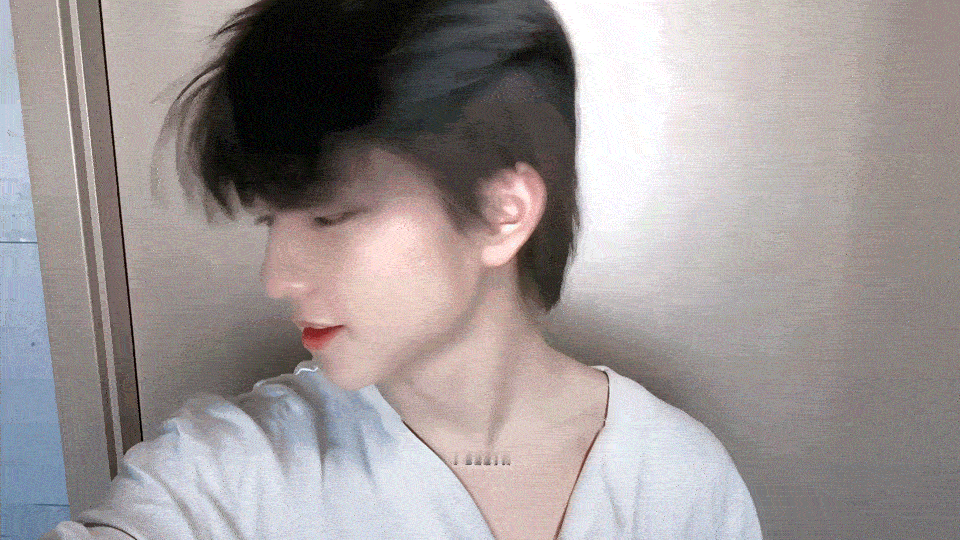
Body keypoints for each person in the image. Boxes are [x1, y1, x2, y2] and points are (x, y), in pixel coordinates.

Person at [44, 0, 762, 538]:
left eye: (330, 217)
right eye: (271, 221)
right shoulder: (231, 472)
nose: (277, 279)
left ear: (501, 211)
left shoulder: (675, 480)